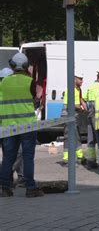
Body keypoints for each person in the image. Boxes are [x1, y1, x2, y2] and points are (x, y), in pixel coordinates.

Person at [0, 52, 44, 197]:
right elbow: (35, 97)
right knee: (27, 156)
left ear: (12, 65)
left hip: (9, 125)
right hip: (27, 126)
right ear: (26, 67)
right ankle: (30, 188)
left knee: (8, 157)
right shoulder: (29, 81)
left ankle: (4, 188)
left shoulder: (4, 82)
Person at [62, 73, 87, 166]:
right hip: (68, 116)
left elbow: (80, 99)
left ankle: (79, 156)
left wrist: (85, 105)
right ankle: (66, 159)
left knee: (76, 136)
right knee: (68, 136)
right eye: (80, 79)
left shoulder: (78, 89)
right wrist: (81, 108)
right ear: (75, 79)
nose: (82, 81)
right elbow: (71, 104)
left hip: (74, 116)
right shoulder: (71, 89)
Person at [84, 70, 99, 169]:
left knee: (91, 137)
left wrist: (87, 109)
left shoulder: (90, 86)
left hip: (90, 111)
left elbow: (84, 98)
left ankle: (91, 160)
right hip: (98, 112)